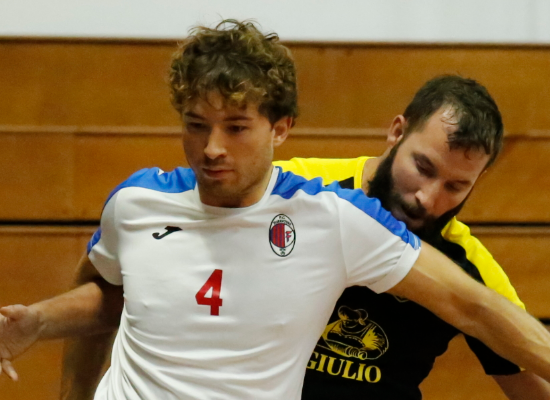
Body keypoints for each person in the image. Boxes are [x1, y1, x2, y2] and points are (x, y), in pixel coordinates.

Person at [1, 20, 550, 400]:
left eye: (236, 128)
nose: (213, 148)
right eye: (196, 125)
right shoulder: (136, 201)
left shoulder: (334, 217)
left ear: (280, 129)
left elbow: (479, 309)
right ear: (396, 134)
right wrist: (40, 322)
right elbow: (114, 291)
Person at [274, 75, 550, 399]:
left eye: (455, 186)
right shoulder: (297, 190)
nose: (427, 199)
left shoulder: (467, 266)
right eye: (423, 168)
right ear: (397, 132)